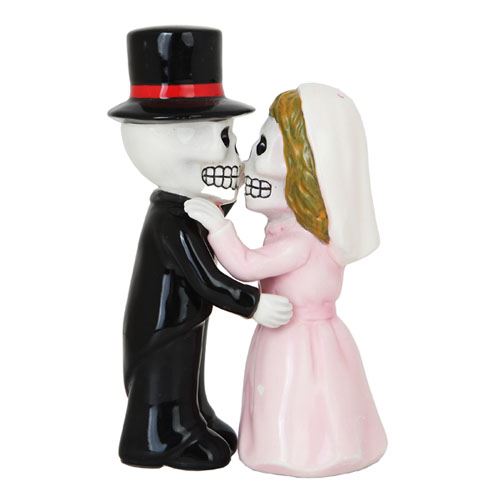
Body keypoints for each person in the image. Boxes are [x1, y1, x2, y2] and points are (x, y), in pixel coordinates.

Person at [185, 83, 387, 477]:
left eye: (262, 149)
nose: (249, 166)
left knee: (295, 394)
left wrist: (218, 227)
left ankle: (301, 453)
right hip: (287, 331)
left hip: (295, 337)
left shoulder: (299, 242)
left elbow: (246, 265)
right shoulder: (297, 235)